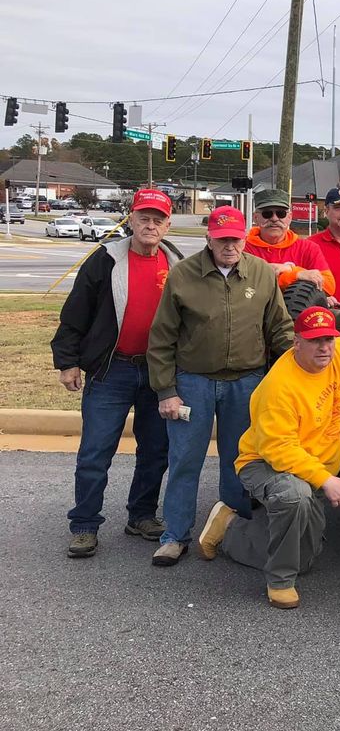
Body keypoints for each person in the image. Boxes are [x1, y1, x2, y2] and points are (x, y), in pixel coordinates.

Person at [194, 306, 340, 609]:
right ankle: (279, 581)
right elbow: (279, 449)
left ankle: (229, 527)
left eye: (329, 339)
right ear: (296, 343)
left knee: (306, 557)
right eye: (315, 341)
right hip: (263, 462)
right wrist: (327, 480)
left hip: (310, 469)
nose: (324, 347)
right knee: (295, 496)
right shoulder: (279, 386)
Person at [147, 205, 295, 567]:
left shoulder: (261, 273)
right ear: (208, 239)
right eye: (222, 239)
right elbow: (162, 338)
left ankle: (234, 532)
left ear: (245, 238)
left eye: (236, 239)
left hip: (246, 383)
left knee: (240, 461)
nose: (230, 246)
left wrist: (298, 365)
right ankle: (175, 535)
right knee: (185, 459)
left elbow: (280, 328)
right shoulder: (182, 275)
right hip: (193, 381)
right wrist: (166, 391)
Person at [51, 188, 183, 558]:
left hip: (157, 374)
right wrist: (67, 361)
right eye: (144, 217)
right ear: (132, 218)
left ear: (168, 223)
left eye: (158, 219)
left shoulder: (176, 263)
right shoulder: (104, 260)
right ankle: (85, 525)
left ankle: (141, 515)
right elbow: (75, 312)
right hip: (112, 371)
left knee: (156, 451)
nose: (151, 225)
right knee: (95, 452)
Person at [243, 188, 335, 295]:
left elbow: (329, 286)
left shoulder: (308, 248)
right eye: (267, 214)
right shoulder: (243, 248)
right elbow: (247, 285)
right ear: (255, 218)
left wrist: (291, 269)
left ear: (290, 217)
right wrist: (296, 275)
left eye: (281, 213)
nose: (274, 218)